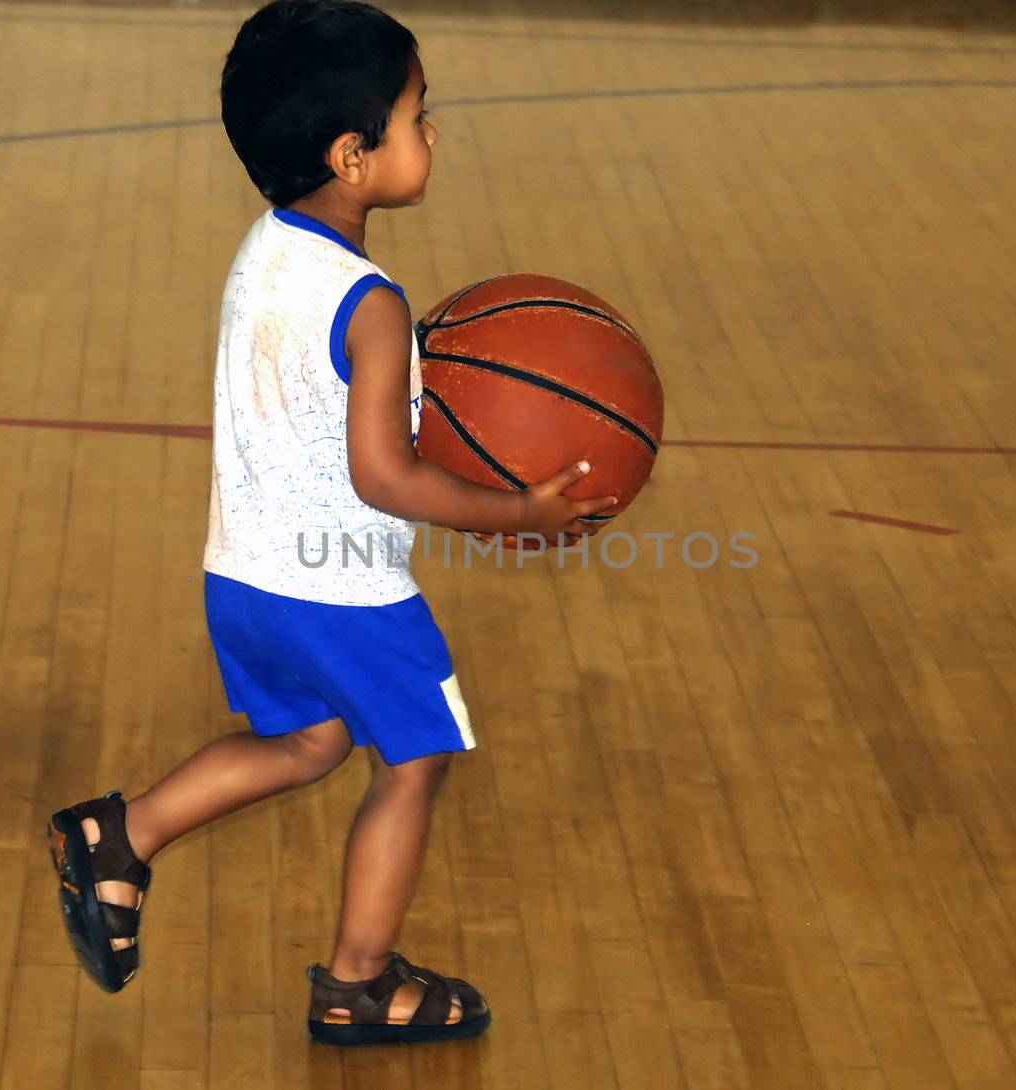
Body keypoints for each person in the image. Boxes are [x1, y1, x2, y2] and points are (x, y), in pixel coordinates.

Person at [45, 0, 613, 1047]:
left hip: (243, 574)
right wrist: (514, 511)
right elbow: (384, 478)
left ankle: (120, 836)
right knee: (414, 757)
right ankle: (358, 982)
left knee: (310, 741)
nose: (430, 133)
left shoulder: (263, 252)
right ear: (351, 157)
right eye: (414, 117)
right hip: (343, 591)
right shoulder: (373, 302)